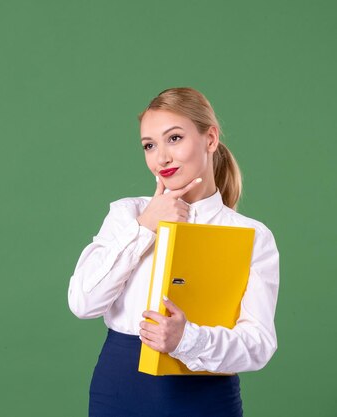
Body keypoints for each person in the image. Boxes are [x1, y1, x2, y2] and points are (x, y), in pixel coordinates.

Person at [67, 87, 279, 417]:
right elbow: (83, 303)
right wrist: (145, 227)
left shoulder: (251, 235)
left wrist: (187, 339)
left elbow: (259, 345)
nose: (161, 157)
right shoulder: (128, 214)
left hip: (204, 396)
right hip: (120, 389)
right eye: (149, 145)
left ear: (210, 139)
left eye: (174, 138)